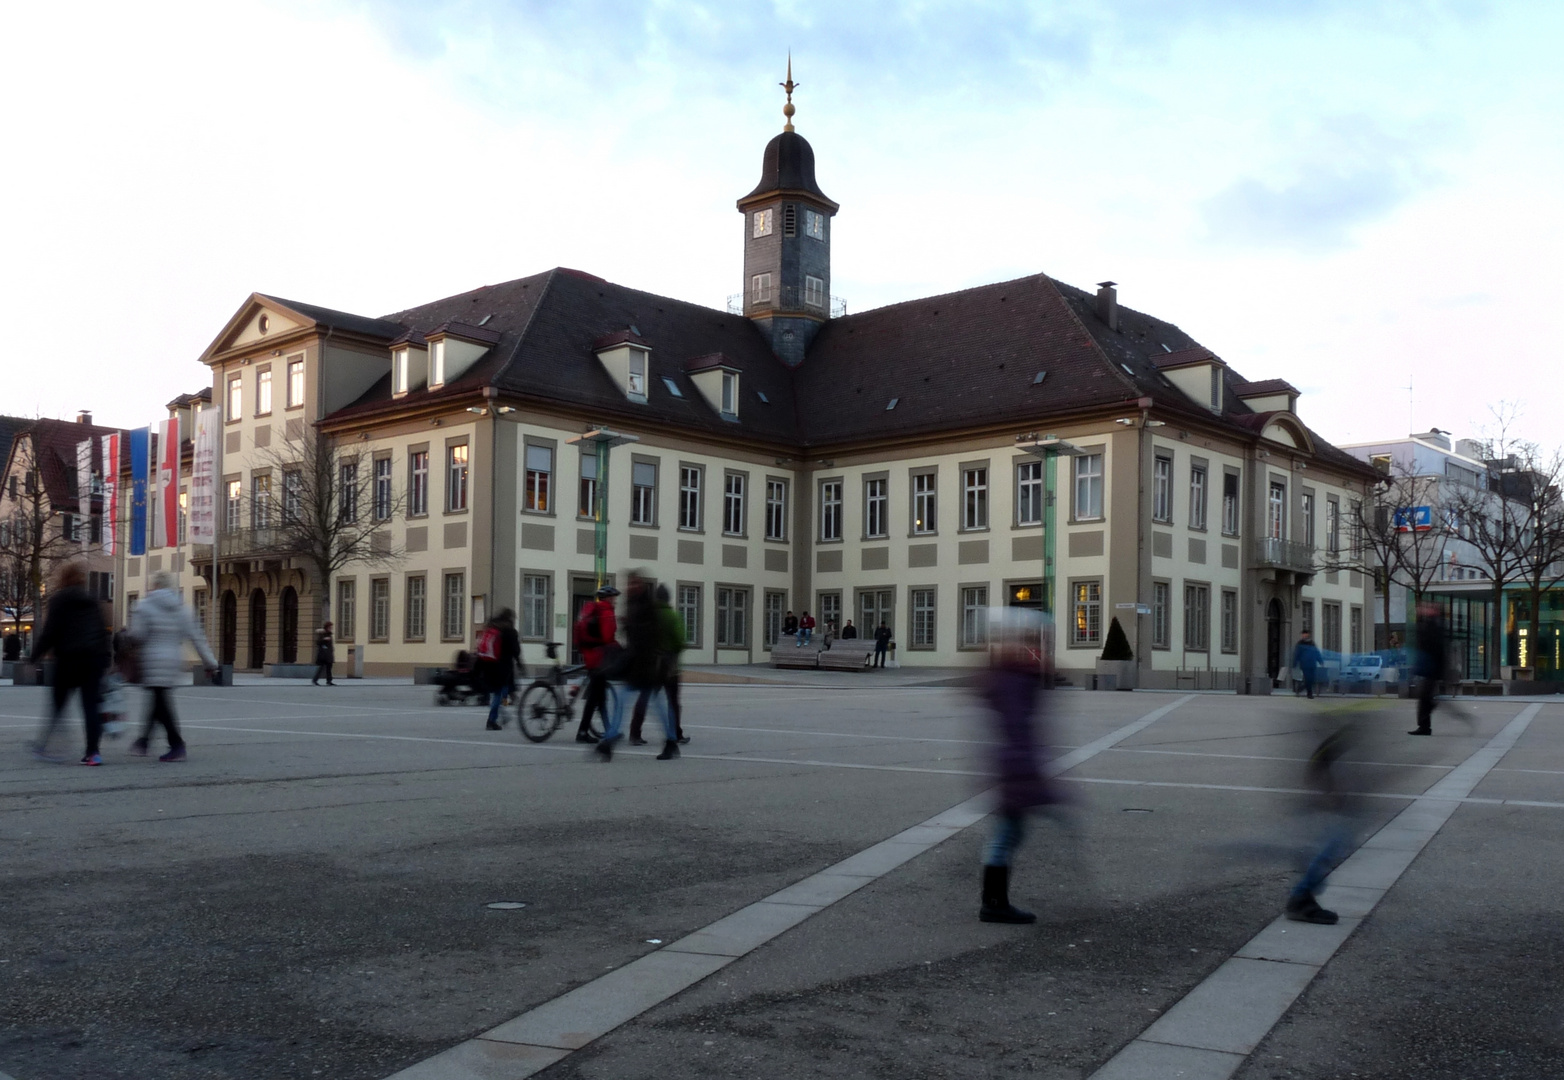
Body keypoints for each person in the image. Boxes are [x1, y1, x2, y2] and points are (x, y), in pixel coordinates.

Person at [977, 607, 1057, 923]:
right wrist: (1029, 774)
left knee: (1011, 831)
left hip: (1013, 766)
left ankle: (994, 901)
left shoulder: (1016, 678)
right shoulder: (1014, 681)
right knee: (1007, 833)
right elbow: (1018, 731)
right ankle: (993, 903)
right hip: (1015, 769)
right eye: (1035, 642)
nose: (1041, 649)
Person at [130, 572, 219, 762]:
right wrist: (210, 662)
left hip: (152, 659)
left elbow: (137, 635)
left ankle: (176, 744)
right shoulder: (182, 609)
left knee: (161, 703)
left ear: (154, 585)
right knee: (158, 699)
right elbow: (197, 637)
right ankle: (143, 741)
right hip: (172, 660)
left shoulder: (144, 606)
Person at [29, 561, 110, 764]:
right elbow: (103, 631)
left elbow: (50, 632)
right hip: (93, 660)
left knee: (57, 706)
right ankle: (93, 752)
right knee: (90, 706)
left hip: (68, 660)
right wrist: (106, 660)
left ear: (63, 578)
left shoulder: (59, 599)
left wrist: (34, 655)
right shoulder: (92, 600)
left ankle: (44, 745)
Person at [598, 572, 677, 761]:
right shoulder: (633, 604)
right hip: (636, 665)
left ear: (640, 585)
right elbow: (634, 636)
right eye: (628, 583)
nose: (629, 587)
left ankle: (672, 741)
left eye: (633, 583)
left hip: (648, 666)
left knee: (656, 708)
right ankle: (609, 742)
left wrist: (632, 628)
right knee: (624, 703)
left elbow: (651, 636)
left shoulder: (648, 607)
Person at [631, 584, 689, 747]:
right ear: (668, 598)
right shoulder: (672, 616)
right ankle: (676, 733)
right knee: (673, 702)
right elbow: (679, 640)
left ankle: (635, 733)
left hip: (650, 664)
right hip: (669, 666)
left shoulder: (650, 615)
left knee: (644, 698)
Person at [573, 585, 619, 744]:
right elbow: (607, 637)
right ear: (608, 598)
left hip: (589, 653)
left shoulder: (590, 609)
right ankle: (583, 731)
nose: (615, 601)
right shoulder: (606, 612)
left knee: (599, 696)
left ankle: (608, 730)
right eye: (614, 597)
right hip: (600, 657)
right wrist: (618, 648)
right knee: (595, 697)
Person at [478, 609, 522, 730]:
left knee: (500, 692)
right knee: (499, 693)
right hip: (502, 667)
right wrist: (519, 663)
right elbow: (515, 650)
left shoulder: (492, 627)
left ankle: (502, 712)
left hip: (488, 664)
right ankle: (492, 720)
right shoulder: (510, 631)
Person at [1410, 602, 1447, 736]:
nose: (1424, 610)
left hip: (1431, 668)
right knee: (1424, 698)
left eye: (1427, 609)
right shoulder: (1433, 624)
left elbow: (1428, 644)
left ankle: (1424, 726)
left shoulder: (1434, 625)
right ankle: (1425, 725)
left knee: (1424, 698)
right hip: (1431, 668)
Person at [1291, 630, 1323, 699]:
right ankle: (1309, 694)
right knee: (1308, 679)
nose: (1304, 635)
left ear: (1308, 635)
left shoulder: (1312, 643)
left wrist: (1320, 661)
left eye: (1305, 634)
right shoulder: (1300, 643)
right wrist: (1295, 663)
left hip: (1312, 663)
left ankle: (1300, 688)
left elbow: (1316, 652)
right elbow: (1297, 654)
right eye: (1303, 634)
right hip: (1305, 664)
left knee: (1312, 679)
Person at [312, 621, 335, 686]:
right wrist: (324, 639)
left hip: (328, 654)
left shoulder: (329, 634)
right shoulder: (322, 634)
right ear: (327, 627)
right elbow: (318, 642)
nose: (331, 628)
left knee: (329, 668)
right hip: (323, 654)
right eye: (330, 627)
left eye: (331, 627)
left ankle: (329, 681)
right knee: (321, 668)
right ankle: (315, 680)